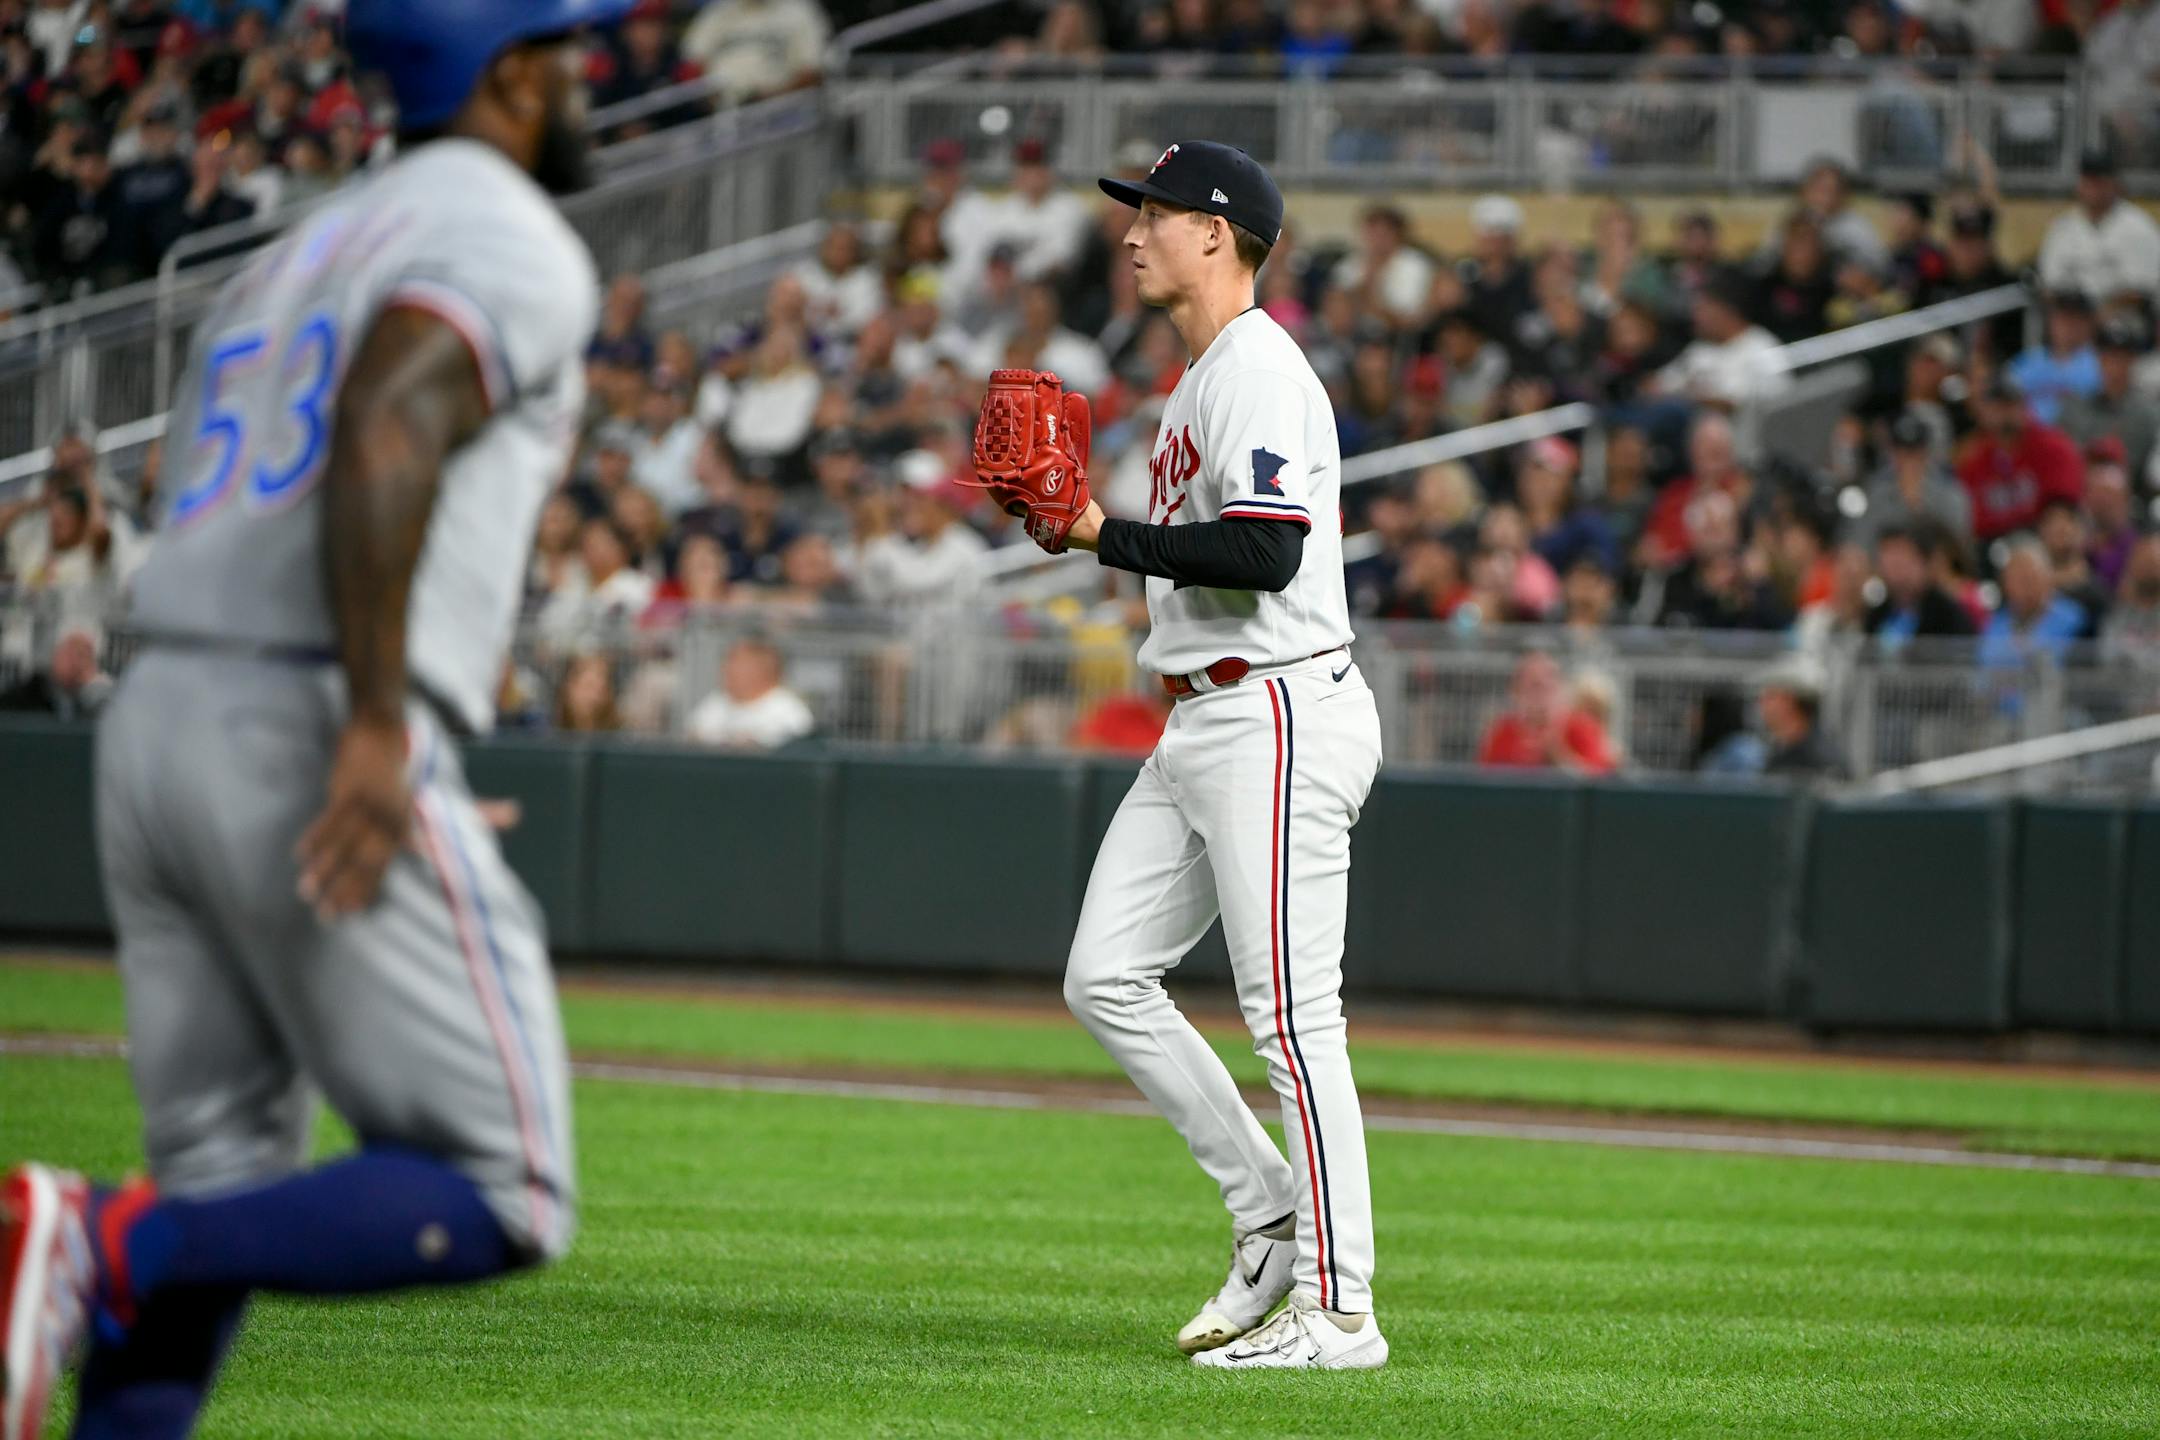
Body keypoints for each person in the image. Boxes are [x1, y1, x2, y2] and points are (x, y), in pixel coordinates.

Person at [0, 9, 626, 1437]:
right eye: (565, 48)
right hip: (302, 701)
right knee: (502, 1185)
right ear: (510, 72)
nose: (583, 73)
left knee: (218, 1187)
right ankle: (100, 1237)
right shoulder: (508, 231)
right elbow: (392, 416)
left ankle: (115, 1259)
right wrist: (375, 723)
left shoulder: (297, 249)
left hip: (161, 716)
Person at [1052, 141, 1388, 1370]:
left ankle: (1342, 1311)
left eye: (1154, 214)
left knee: (1293, 1023)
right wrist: (1107, 532)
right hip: (1202, 717)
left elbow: (1265, 556)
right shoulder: (1198, 381)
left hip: (1279, 709)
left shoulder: (1258, 368)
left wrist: (1100, 533)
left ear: (1218, 231)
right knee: (1105, 976)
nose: (1133, 232)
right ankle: (1270, 1218)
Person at [1957, 375, 2085, 544]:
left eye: (2010, 405)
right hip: (1994, 544)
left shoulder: (2053, 448)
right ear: (1984, 413)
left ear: (2025, 408)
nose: (2004, 415)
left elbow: (2063, 510)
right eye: (1997, 407)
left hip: (2043, 541)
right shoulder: (1974, 460)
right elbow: (1973, 523)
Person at [2038, 149, 2160, 308]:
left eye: (2099, 182)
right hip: (2072, 317)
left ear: (2115, 185)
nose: (2093, 189)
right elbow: (2049, 285)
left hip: (2125, 321)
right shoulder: (2064, 226)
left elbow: (2143, 289)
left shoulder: (2138, 226)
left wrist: (2097, 318)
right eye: (2087, 181)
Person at [1477, 649, 1619, 774]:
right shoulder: (1502, 732)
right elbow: (1486, 779)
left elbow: (1600, 780)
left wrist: (1559, 757)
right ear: (1516, 691)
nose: (1542, 697)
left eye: (1549, 686)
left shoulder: (1581, 727)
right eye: (1535, 686)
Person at [1854, 410, 1973, 551]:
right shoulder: (1875, 491)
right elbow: (1861, 542)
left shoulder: (1949, 491)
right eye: (1900, 451)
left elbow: (1958, 545)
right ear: (1891, 452)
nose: (1908, 460)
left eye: (1913, 452)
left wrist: (1916, 502)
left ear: (1925, 452)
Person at [686, 637, 816, 749]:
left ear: (764, 670)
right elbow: (694, 737)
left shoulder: (788, 708)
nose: (728, 671)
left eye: (740, 666)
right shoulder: (717, 702)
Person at [1980, 538, 2087, 670]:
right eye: (2018, 578)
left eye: (2032, 576)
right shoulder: (1996, 623)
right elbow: (1985, 666)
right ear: (2005, 584)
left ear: (2048, 577)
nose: (2027, 586)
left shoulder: (2074, 619)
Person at [1865, 522, 1977, 641]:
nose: (1895, 570)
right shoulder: (1877, 616)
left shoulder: (1947, 616)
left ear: (1925, 562)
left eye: (1903, 559)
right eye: (1888, 560)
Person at [2005, 291, 2102, 427]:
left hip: (2080, 436)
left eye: (2075, 318)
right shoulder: (2029, 360)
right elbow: (2003, 397)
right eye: (2062, 317)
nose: (2068, 325)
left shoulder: (2101, 362)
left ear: (2088, 323)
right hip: (2029, 437)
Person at [1757, 657, 1846, 780]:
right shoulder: (1779, 752)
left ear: (1789, 701)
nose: (1762, 704)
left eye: (1770, 696)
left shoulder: (1820, 761)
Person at [0, 625, 112, 719]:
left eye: (86, 656)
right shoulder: (24, 699)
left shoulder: (86, 702)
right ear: (56, 655)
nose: (78, 664)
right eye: (74, 654)